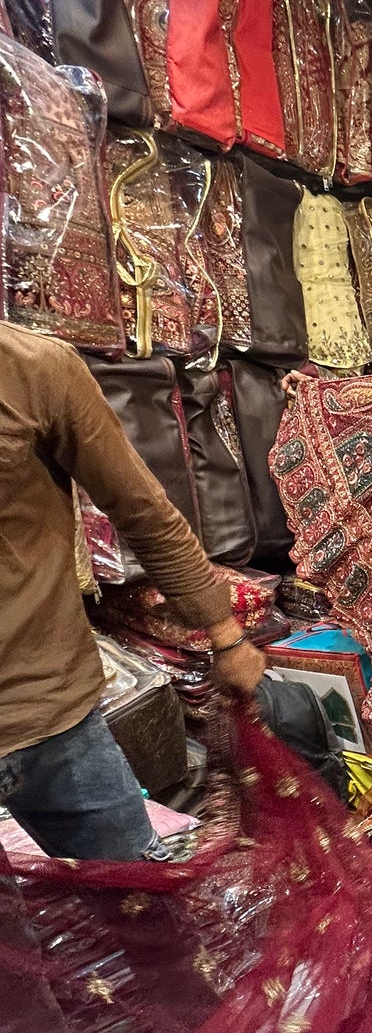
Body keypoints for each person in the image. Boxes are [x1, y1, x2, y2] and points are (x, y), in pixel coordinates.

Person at [0, 324, 266, 860]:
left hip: (50, 712)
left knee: (144, 914)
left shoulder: (32, 368)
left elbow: (144, 512)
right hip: (52, 709)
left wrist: (224, 633)